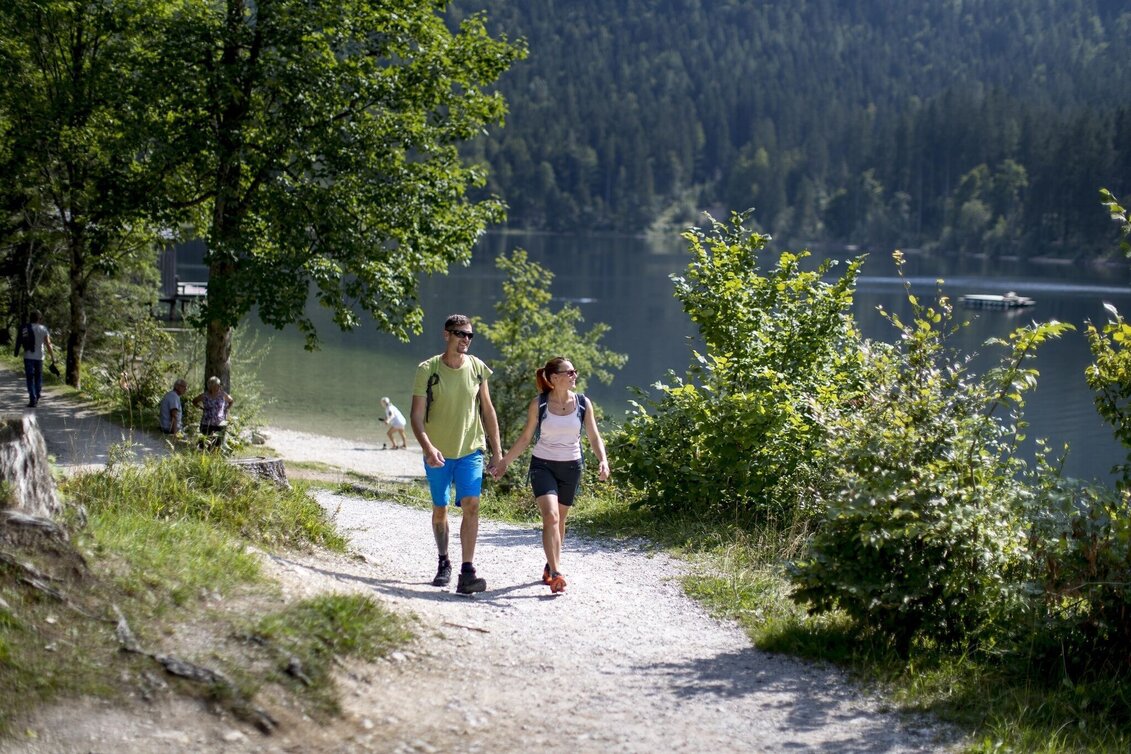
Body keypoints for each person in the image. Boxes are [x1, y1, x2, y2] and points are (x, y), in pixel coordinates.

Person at [492, 356, 610, 593]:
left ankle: (550, 566)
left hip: (571, 467)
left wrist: (603, 460)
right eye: (570, 372)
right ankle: (556, 572)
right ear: (555, 378)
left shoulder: (584, 403)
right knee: (551, 517)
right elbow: (526, 437)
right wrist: (504, 461)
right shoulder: (540, 404)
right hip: (543, 465)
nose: (574, 375)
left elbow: (594, 436)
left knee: (561, 520)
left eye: (574, 371)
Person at [410, 314, 502, 595]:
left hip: (470, 450)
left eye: (469, 335)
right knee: (441, 510)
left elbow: (488, 411)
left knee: (471, 504)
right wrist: (428, 447)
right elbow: (415, 416)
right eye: (460, 334)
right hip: (437, 452)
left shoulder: (477, 369)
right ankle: (443, 561)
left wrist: (498, 452)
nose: (465, 339)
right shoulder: (428, 369)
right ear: (446, 334)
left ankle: (467, 571)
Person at [16, 310, 57, 408]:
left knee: (30, 378)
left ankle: (32, 397)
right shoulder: (43, 329)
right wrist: (53, 357)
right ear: (40, 319)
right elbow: (48, 344)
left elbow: (20, 340)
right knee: (38, 377)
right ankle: (37, 394)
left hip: (28, 357)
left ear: (30, 318)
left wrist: (16, 352)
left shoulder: (25, 328)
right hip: (39, 357)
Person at [192, 376, 234, 450]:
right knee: (204, 443)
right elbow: (194, 401)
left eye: (219, 385)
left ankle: (215, 458)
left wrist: (226, 409)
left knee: (217, 444)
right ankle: (203, 458)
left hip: (219, 423)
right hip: (206, 423)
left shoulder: (223, 394)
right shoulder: (204, 395)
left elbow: (231, 401)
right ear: (211, 386)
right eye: (216, 385)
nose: (218, 386)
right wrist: (201, 408)